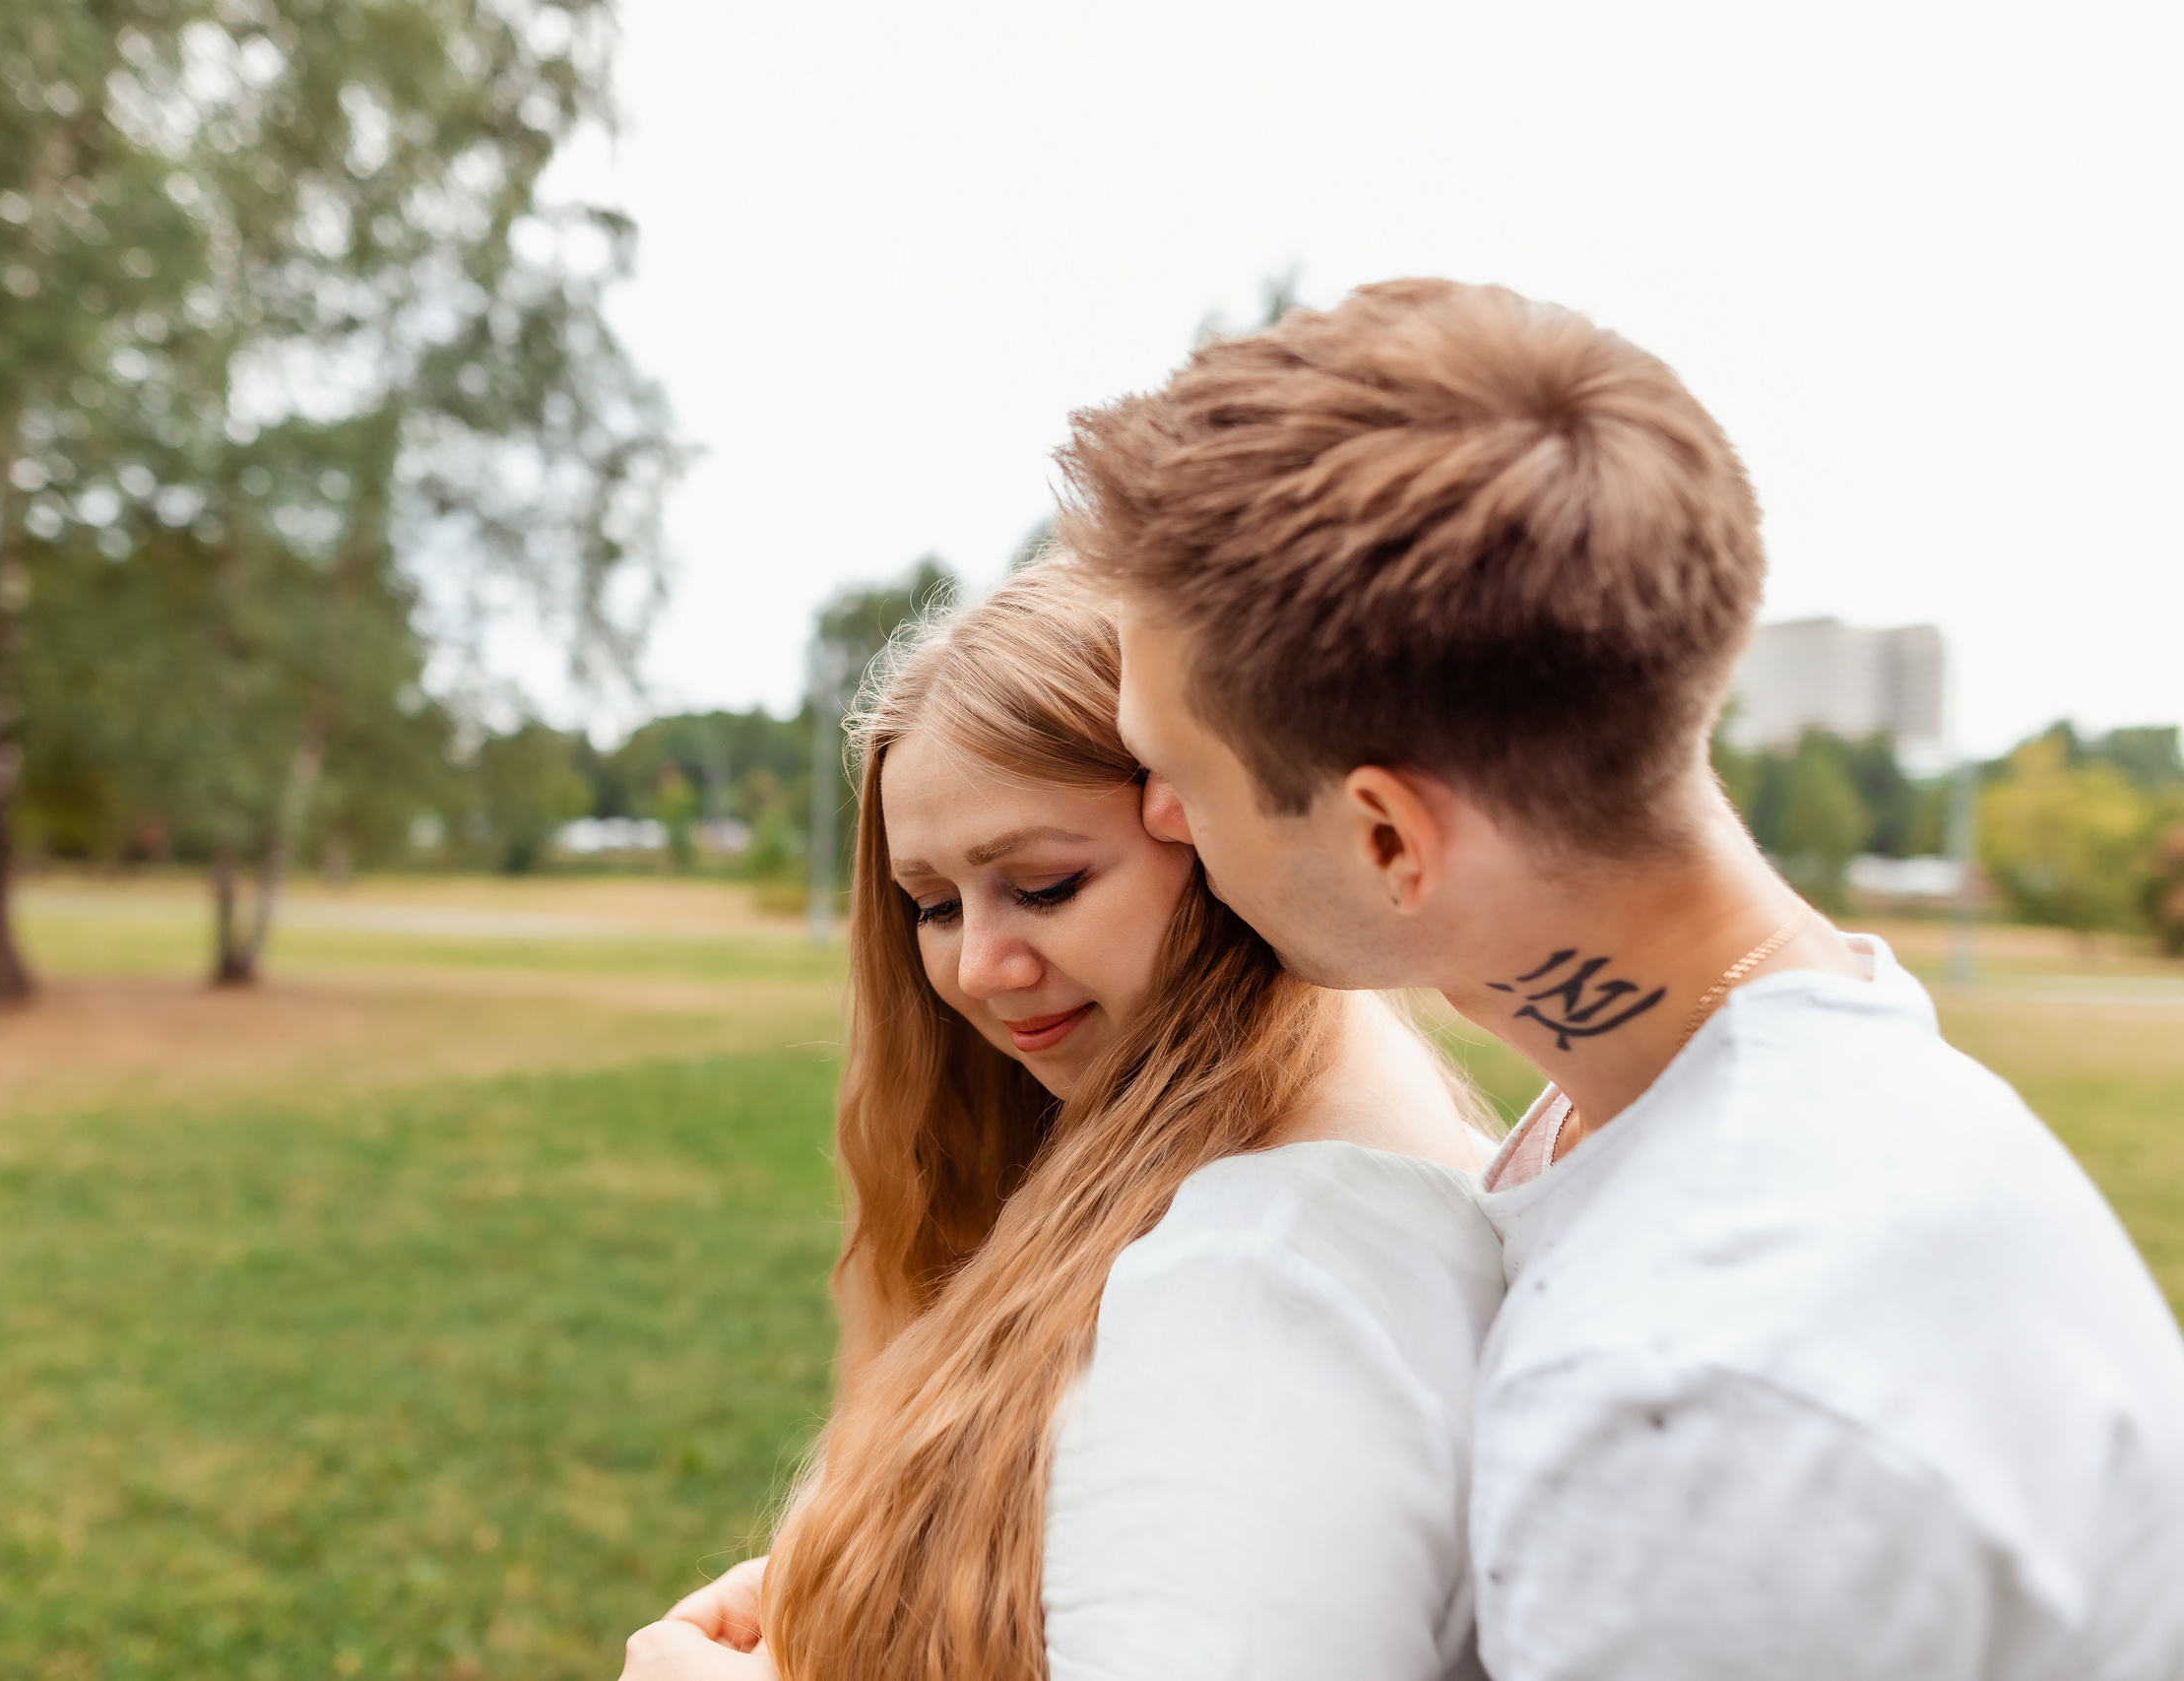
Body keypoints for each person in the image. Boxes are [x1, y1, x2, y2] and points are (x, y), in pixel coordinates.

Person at [1060, 276, 2184, 1679]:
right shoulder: (1774, 1081)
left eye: (1172, 772)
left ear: (1389, 836)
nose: (1159, 818)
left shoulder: (1697, 1389)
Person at [622, 560, 1505, 1680]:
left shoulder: (1263, 1282)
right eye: (932, 907)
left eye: (1042, 885)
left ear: (1211, 828)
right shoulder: (1298, 1198)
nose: (979, 969)